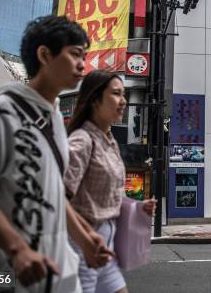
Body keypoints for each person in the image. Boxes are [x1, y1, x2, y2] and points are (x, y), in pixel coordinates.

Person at [0, 16, 112, 292]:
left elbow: (52, 194)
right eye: (75, 54)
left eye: (84, 56)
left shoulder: (54, 119)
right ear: (44, 54)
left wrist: (86, 240)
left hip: (56, 275)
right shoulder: (0, 113)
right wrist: (18, 251)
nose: (82, 64)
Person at [64, 70, 157, 293]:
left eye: (124, 94)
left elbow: (105, 193)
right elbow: (57, 198)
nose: (123, 101)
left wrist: (138, 207)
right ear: (95, 100)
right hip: (82, 246)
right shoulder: (82, 141)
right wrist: (85, 239)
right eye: (116, 94)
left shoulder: (109, 140)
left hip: (107, 244)